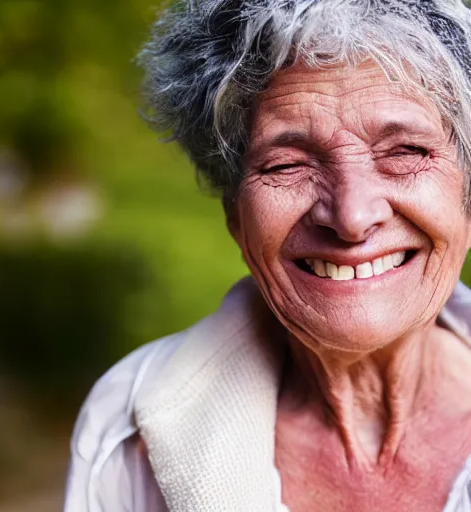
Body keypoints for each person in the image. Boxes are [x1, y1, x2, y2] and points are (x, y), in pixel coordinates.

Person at [64, 1, 471, 510]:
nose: (351, 216)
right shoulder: (126, 430)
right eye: (286, 164)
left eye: (405, 152)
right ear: (236, 214)